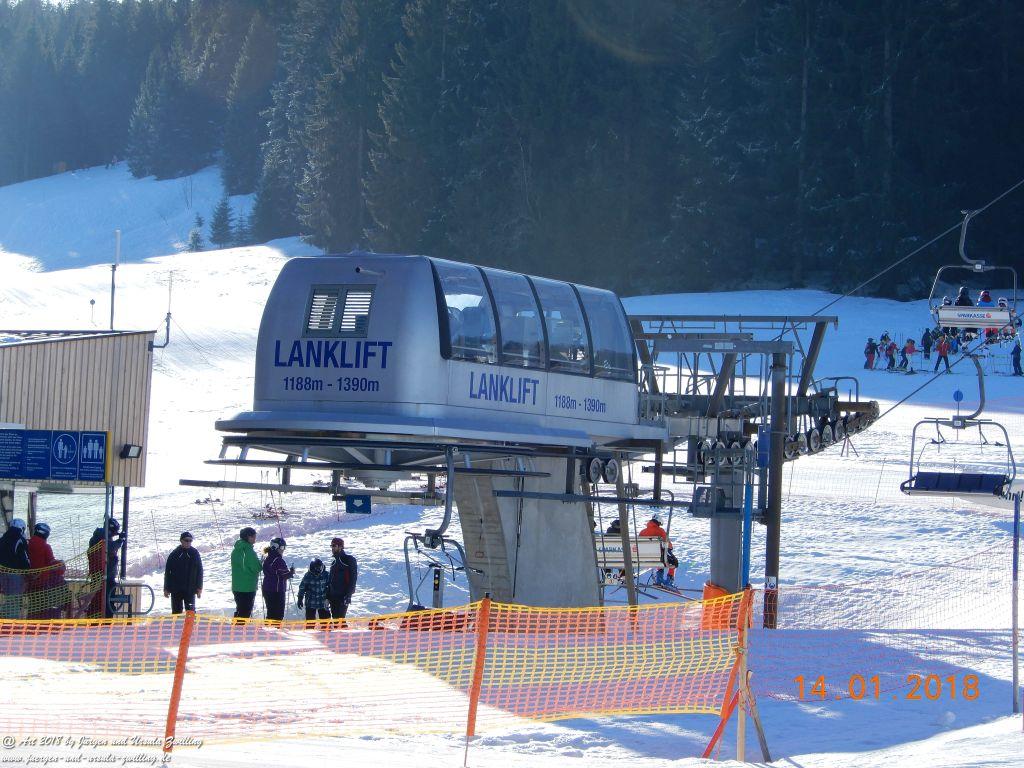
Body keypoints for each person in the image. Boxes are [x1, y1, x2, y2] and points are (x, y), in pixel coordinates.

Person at [26, 522, 67, 619]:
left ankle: (30, 624)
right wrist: (61, 564)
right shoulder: (45, 547)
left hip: (30, 581)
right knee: (47, 606)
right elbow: (52, 563)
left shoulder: (27, 543)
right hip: (44, 582)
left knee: (33, 607)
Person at [87, 518, 123, 618]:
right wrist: (120, 541)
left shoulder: (99, 536)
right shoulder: (102, 536)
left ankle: (99, 620)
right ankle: (103, 622)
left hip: (103, 576)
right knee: (104, 604)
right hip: (104, 577)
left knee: (102, 603)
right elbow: (110, 548)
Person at [163, 532, 203, 614]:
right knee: (176, 613)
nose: (188, 542)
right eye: (186, 540)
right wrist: (166, 588)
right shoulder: (174, 554)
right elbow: (168, 572)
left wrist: (199, 587)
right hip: (176, 589)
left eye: (190, 541)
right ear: (181, 541)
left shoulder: (194, 553)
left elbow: (200, 571)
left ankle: (190, 623)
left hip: (190, 589)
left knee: (190, 613)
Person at [0, 519, 30, 618]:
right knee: (14, 601)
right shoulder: (20, 539)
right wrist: (28, 572)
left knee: (8, 598)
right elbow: (24, 558)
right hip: (15, 575)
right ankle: (12, 624)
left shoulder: (2, 539)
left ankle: (3, 620)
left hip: (2, 574)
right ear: (22, 528)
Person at [230, 527, 261, 620]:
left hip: (237, 585)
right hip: (247, 586)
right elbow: (256, 567)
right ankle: (240, 628)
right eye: (254, 536)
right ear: (249, 537)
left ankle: (236, 626)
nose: (255, 539)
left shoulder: (236, 549)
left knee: (240, 609)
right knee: (245, 612)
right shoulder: (248, 550)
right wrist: (260, 563)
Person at [261, 537, 294, 622]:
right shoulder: (278, 560)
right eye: (282, 547)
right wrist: (291, 572)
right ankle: (274, 629)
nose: (283, 550)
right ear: (275, 547)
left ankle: (268, 629)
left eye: (284, 547)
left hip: (267, 589)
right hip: (276, 590)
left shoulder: (268, 558)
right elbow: (283, 575)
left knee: (271, 613)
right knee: (278, 615)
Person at [638, 516, 675, 586]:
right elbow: (667, 544)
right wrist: (670, 548)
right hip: (657, 557)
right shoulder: (660, 531)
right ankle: (668, 581)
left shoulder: (642, 532)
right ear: (658, 522)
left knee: (659, 558)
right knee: (673, 562)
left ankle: (659, 580)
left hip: (644, 557)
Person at [327, 537, 358, 620]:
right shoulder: (333, 562)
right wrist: (328, 596)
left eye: (334, 546)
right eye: (331, 546)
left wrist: (349, 594)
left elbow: (353, 578)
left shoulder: (348, 559)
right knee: (336, 619)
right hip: (333, 596)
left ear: (340, 546)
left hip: (343, 596)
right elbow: (330, 581)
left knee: (340, 619)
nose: (332, 548)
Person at [297, 558, 331, 625]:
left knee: (325, 623)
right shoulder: (308, 575)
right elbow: (302, 587)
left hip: (323, 602)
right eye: (317, 568)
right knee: (310, 623)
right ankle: (310, 631)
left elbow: (330, 587)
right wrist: (300, 598)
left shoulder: (326, 574)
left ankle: (326, 631)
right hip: (310, 602)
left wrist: (329, 598)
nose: (319, 570)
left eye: (320, 568)